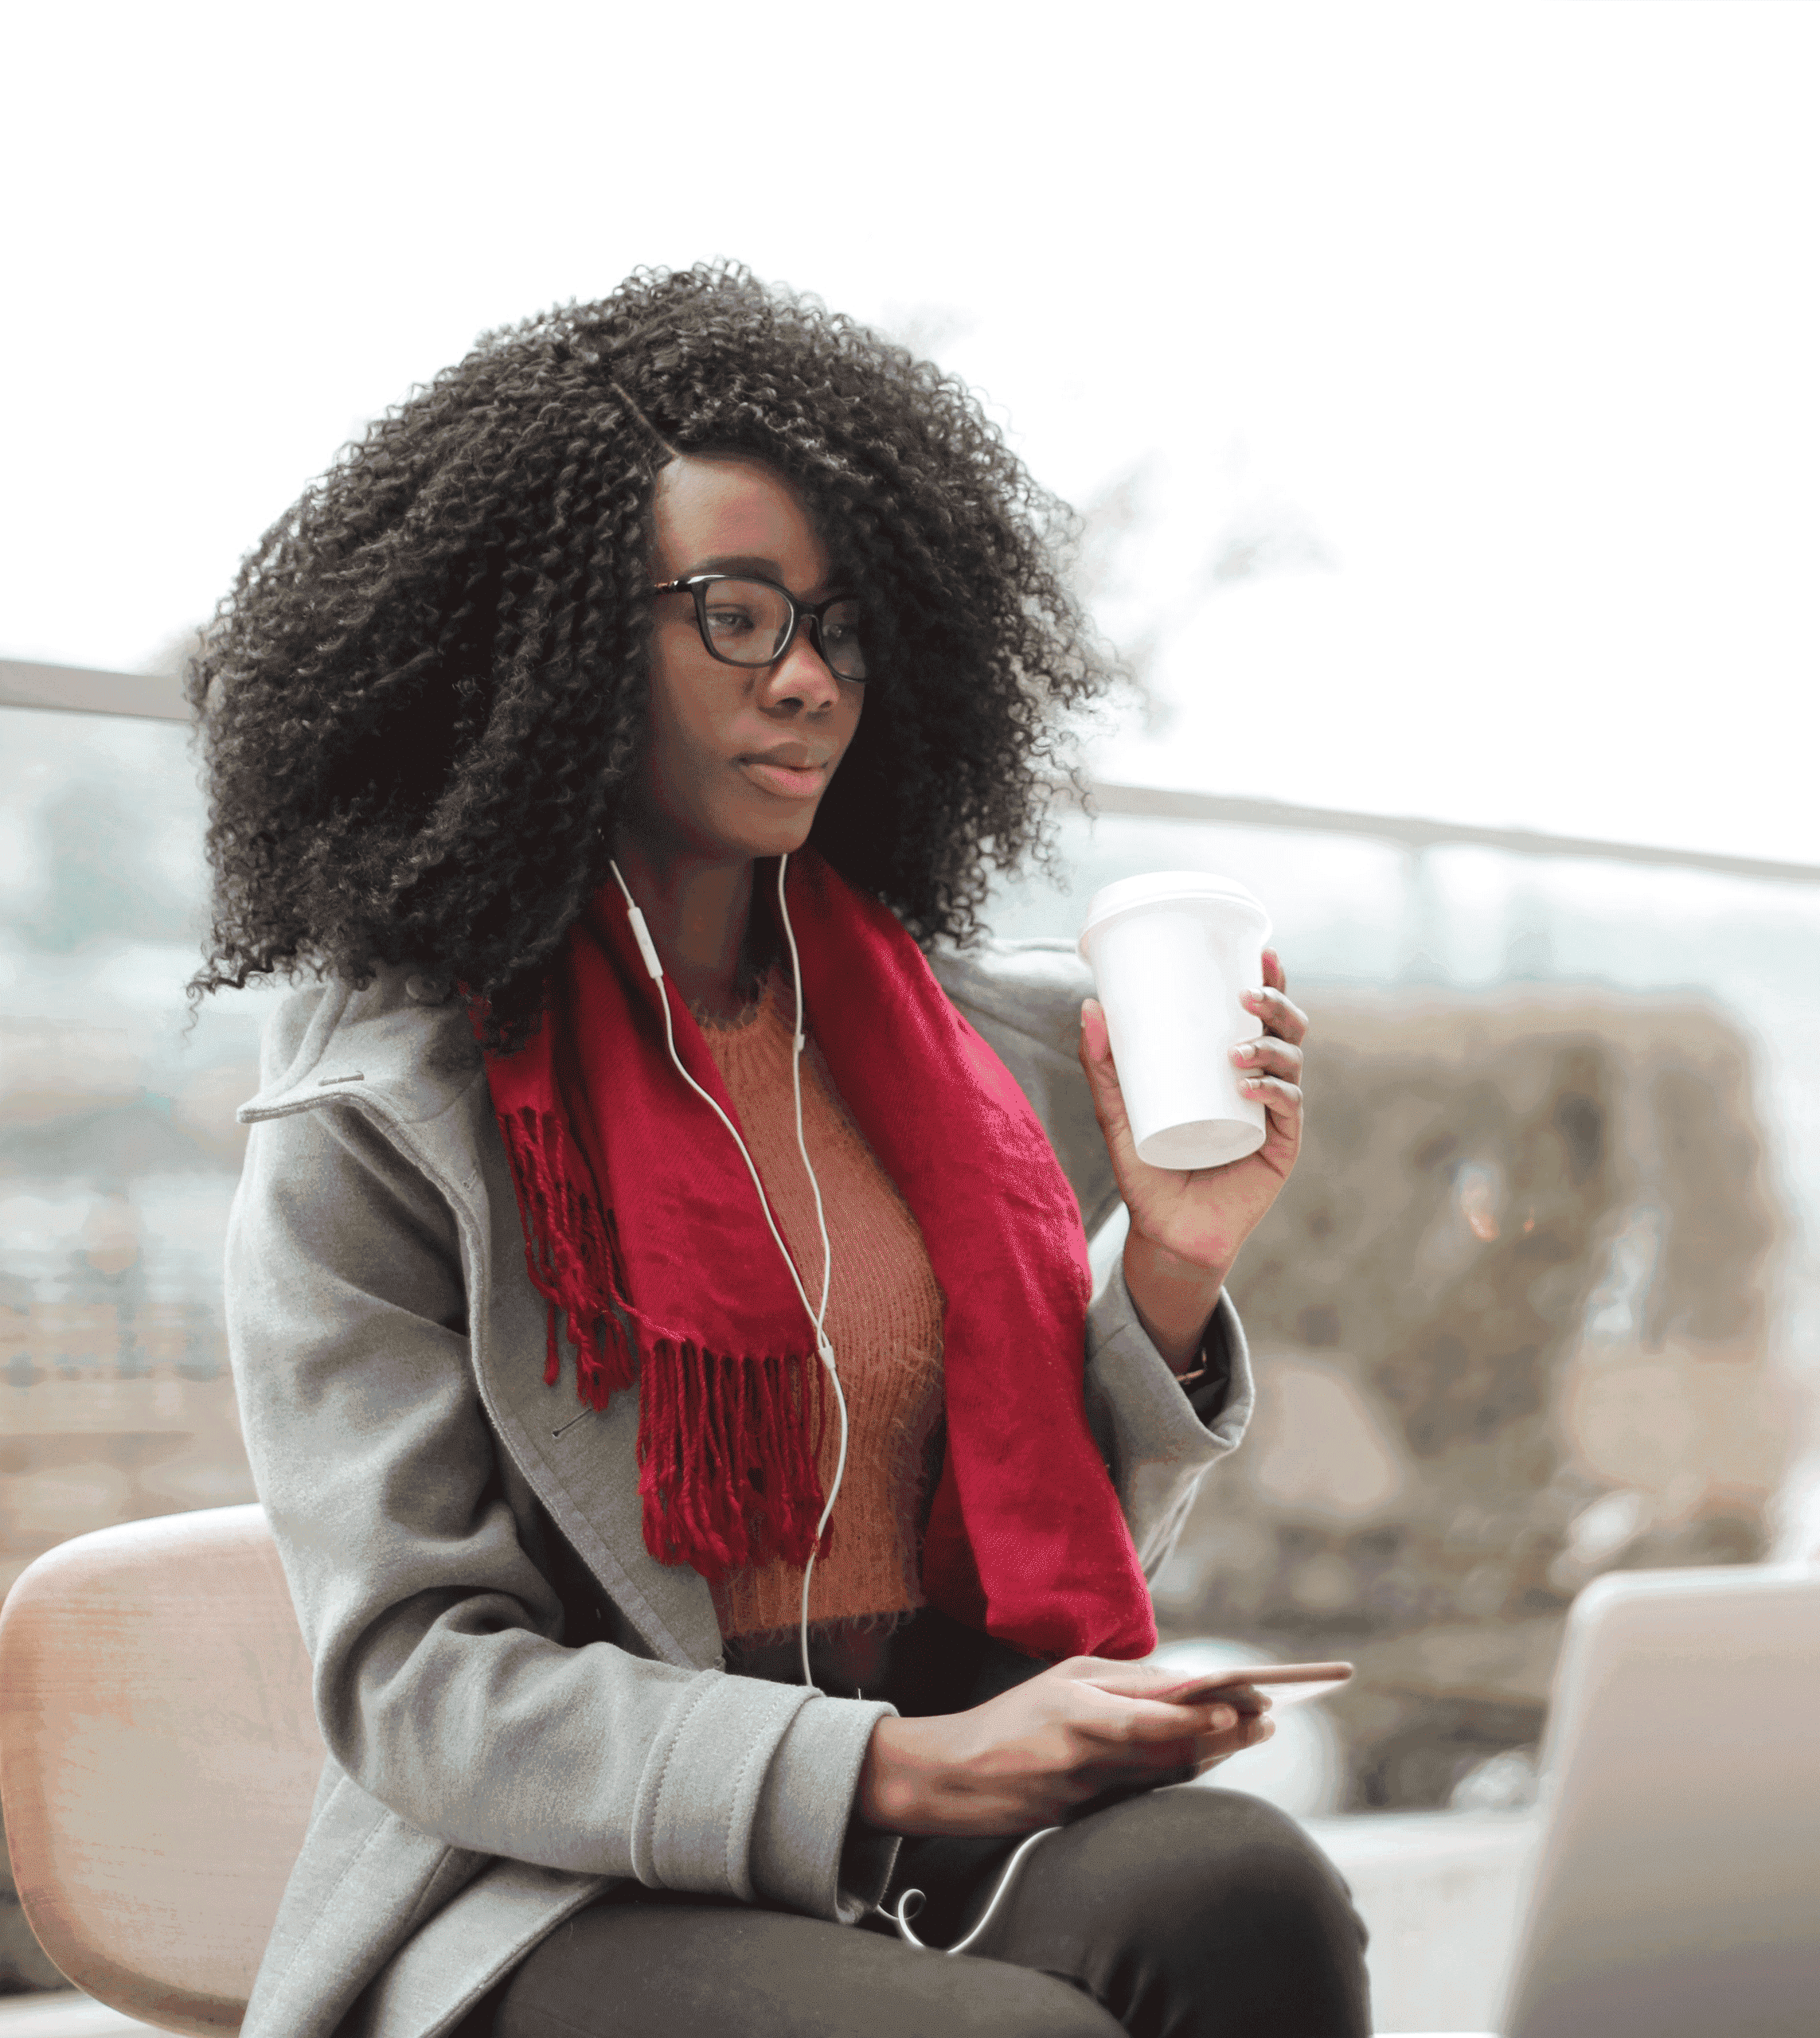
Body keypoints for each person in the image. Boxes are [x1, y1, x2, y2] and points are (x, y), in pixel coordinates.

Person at [190, 265, 1365, 2038]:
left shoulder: (965, 1051)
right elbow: (425, 1688)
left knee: (1247, 1891)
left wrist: (1176, 1258)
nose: (810, 680)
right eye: (735, 614)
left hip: (921, 1795)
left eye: (841, 625)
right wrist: (891, 1768)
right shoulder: (380, 1109)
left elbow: (1025, 1532)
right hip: (548, 1888)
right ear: (559, 640)